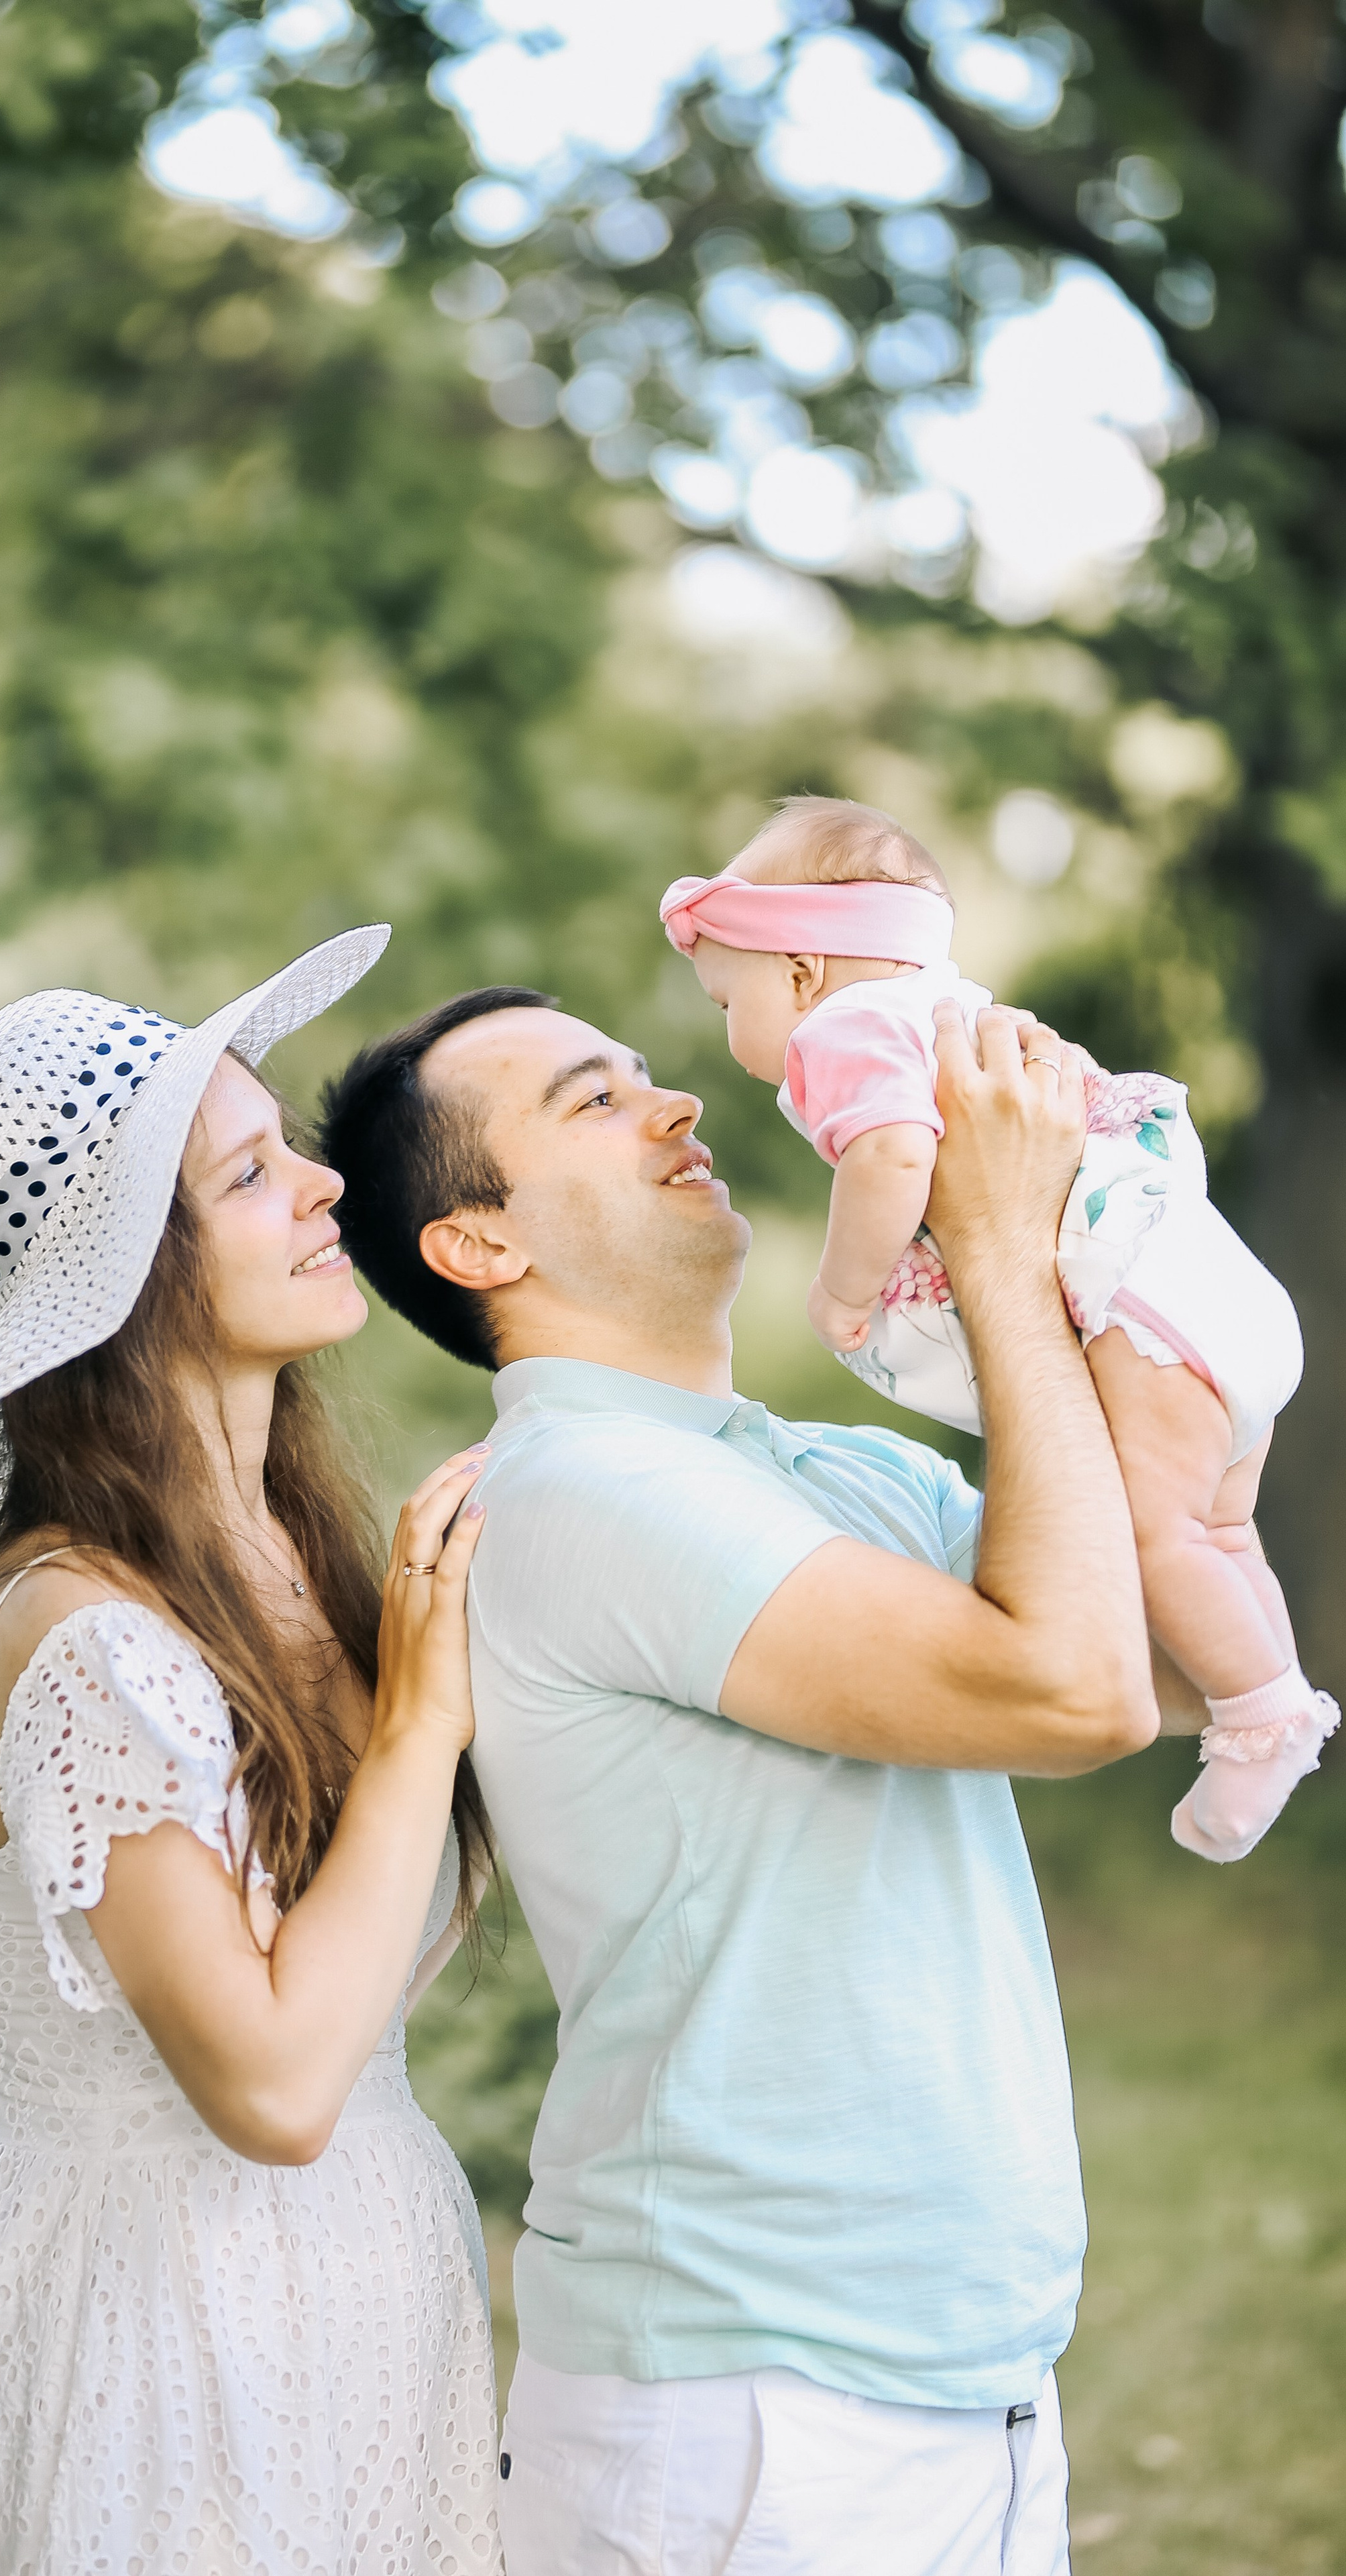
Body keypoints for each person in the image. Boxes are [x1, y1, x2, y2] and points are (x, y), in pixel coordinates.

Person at [319, 975, 1168, 2576]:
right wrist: (984, 1246)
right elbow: (1074, 1690)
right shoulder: (577, 1492)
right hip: (752, 2425)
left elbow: (1164, 1650)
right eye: (591, 1097)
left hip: (954, 2385)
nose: (679, 1101)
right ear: (477, 1244)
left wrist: (1109, 1239)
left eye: (647, 1071)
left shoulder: (819, 1465)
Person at [0, 929, 504, 2576]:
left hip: (356, 2297)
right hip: (172, 2343)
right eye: (250, 1174)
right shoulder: (87, 1640)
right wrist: (422, 1720)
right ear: (131, 1276)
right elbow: (277, 2087)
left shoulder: (289, 1558)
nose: (319, 1189)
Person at [661, 796, 1333, 1866]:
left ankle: (1262, 1714)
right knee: (1215, 1533)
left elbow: (888, 1159)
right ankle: (1265, 1693)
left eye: (722, 997)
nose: (727, 1030)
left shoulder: (841, 1031)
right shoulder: (949, 1008)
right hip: (1208, 1295)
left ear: (797, 971)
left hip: (1140, 1315)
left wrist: (845, 1288)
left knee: (1163, 1536)